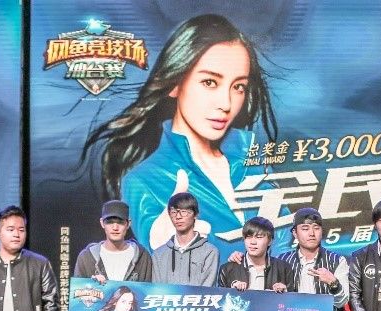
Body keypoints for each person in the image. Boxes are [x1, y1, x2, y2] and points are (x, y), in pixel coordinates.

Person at [83, 14, 279, 253]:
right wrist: (164, 246)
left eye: (238, 87)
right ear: (176, 83)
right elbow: (155, 243)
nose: (226, 104)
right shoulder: (144, 181)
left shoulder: (250, 156)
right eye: (210, 82)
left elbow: (286, 241)